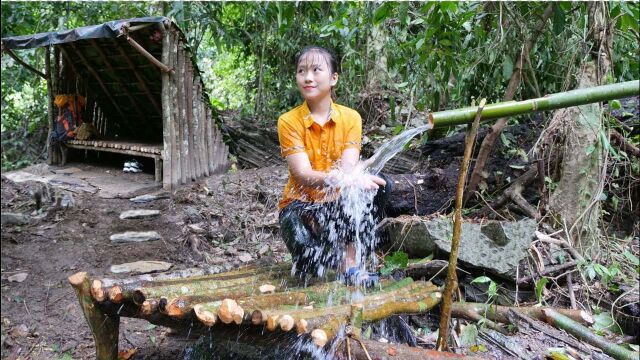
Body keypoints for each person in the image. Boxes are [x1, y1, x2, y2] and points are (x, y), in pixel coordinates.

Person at [277, 46, 391, 286]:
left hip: (336, 205)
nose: (307, 77)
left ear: (333, 78)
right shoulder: (288, 121)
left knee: (380, 186)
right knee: (308, 262)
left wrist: (352, 178)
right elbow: (303, 175)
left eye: (316, 70)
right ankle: (317, 249)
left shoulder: (351, 118)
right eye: (301, 71)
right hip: (300, 207)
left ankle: (350, 263)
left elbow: (348, 168)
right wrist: (344, 179)